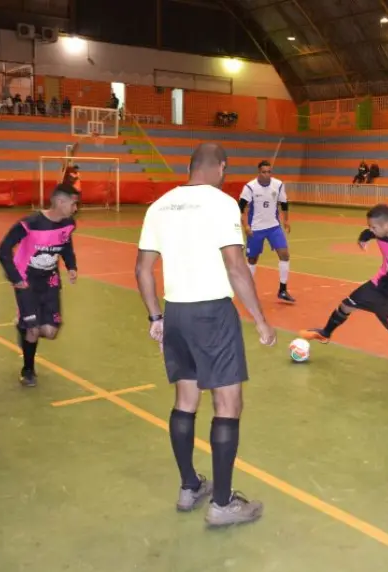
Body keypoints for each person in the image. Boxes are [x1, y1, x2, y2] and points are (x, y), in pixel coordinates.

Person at [135, 142, 276, 528]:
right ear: (219, 168)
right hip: (212, 313)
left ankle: (188, 486)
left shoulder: (159, 205)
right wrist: (261, 319)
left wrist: (155, 316)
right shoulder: (222, 203)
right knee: (227, 405)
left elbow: (143, 269)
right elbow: (235, 266)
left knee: (185, 400)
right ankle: (223, 503)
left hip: (176, 313)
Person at [299, 205, 388, 388]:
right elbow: (367, 233)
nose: (371, 230)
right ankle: (325, 333)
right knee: (346, 305)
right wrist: (363, 238)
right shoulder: (379, 233)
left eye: (374, 227)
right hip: (379, 284)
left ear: (386, 226)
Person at [0, 184, 80, 387]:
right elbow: (3, 249)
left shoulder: (68, 223)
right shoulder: (30, 223)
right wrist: (15, 277)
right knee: (33, 330)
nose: (75, 208)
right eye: (73, 203)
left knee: (50, 332)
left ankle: (23, 326)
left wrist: (71, 266)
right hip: (26, 280)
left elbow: (66, 244)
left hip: (50, 280)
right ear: (60, 202)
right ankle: (28, 370)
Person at [238, 160, 295, 303]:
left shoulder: (278, 185)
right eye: (264, 172)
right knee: (252, 259)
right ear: (259, 172)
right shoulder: (250, 187)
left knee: (284, 254)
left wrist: (286, 220)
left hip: (273, 227)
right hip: (256, 228)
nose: (267, 175)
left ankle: (282, 290)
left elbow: (284, 203)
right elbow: (242, 208)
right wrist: (245, 226)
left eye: (269, 172)